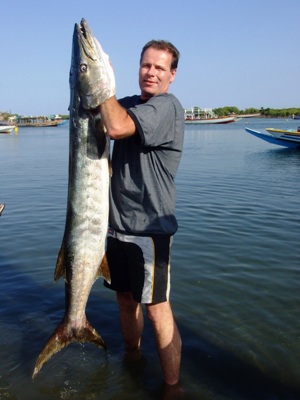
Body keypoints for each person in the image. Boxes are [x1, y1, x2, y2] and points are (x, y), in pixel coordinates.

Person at [95, 40, 184, 386]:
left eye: (160, 68)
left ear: (172, 75)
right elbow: (99, 116)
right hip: (117, 227)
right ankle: (133, 356)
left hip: (149, 230)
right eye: (146, 65)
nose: (151, 73)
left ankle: (172, 387)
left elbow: (116, 126)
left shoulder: (167, 108)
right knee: (124, 300)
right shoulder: (131, 104)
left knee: (156, 308)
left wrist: (102, 82)